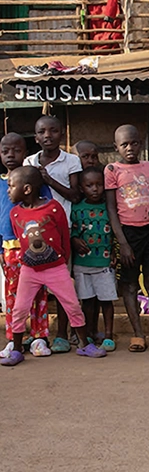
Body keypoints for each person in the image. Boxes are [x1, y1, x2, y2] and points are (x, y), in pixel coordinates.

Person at [0, 166, 106, 366]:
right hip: (29, 271)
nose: (8, 191)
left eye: (11, 186)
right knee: (20, 308)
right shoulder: (15, 214)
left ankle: (84, 344)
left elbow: (64, 237)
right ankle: (16, 349)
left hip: (56, 268)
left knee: (72, 305)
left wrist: (63, 260)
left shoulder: (53, 208)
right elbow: (21, 240)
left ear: (27, 189)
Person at [105, 124, 149, 354]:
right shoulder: (112, 170)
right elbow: (112, 209)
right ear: (116, 147)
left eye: (134, 143)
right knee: (130, 286)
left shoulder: (148, 166)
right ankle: (138, 334)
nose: (130, 148)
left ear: (140, 144)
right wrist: (122, 242)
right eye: (124, 144)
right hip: (128, 234)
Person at [23, 115, 82, 354]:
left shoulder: (71, 161)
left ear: (62, 134)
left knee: (62, 286)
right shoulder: (29, 161)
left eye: (53, 131)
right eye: (42, 132)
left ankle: (62, 335)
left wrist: (48, 179)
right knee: (34, 288)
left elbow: (76, 196)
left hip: (61, 232)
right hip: (34, 234)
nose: (48, 135)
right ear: (36, 138)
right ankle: (37, 333)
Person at [0, 133, 52, 358]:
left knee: (38, 293)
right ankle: (14, 338)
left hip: (35, 247)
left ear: (25, 152)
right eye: (5, 151)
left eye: (17, 150)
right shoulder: (1, 184)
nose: (11, 155)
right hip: (9, 248)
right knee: (12, 295)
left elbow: (48, 210)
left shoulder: (35, 181)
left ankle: (39, 337)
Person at [71, 167, 117, 351]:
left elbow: (115, 233)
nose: (95, 189)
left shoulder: (109, 208)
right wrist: (74, 240)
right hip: (82, 263)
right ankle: (90, 332)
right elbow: (72, 231)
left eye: (99, 185)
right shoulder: (77, 209)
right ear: (82, 188)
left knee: (106, 301)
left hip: (104, 262)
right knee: (87, 301)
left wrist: (115, 252)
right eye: (90, 185)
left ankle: (108, 335)